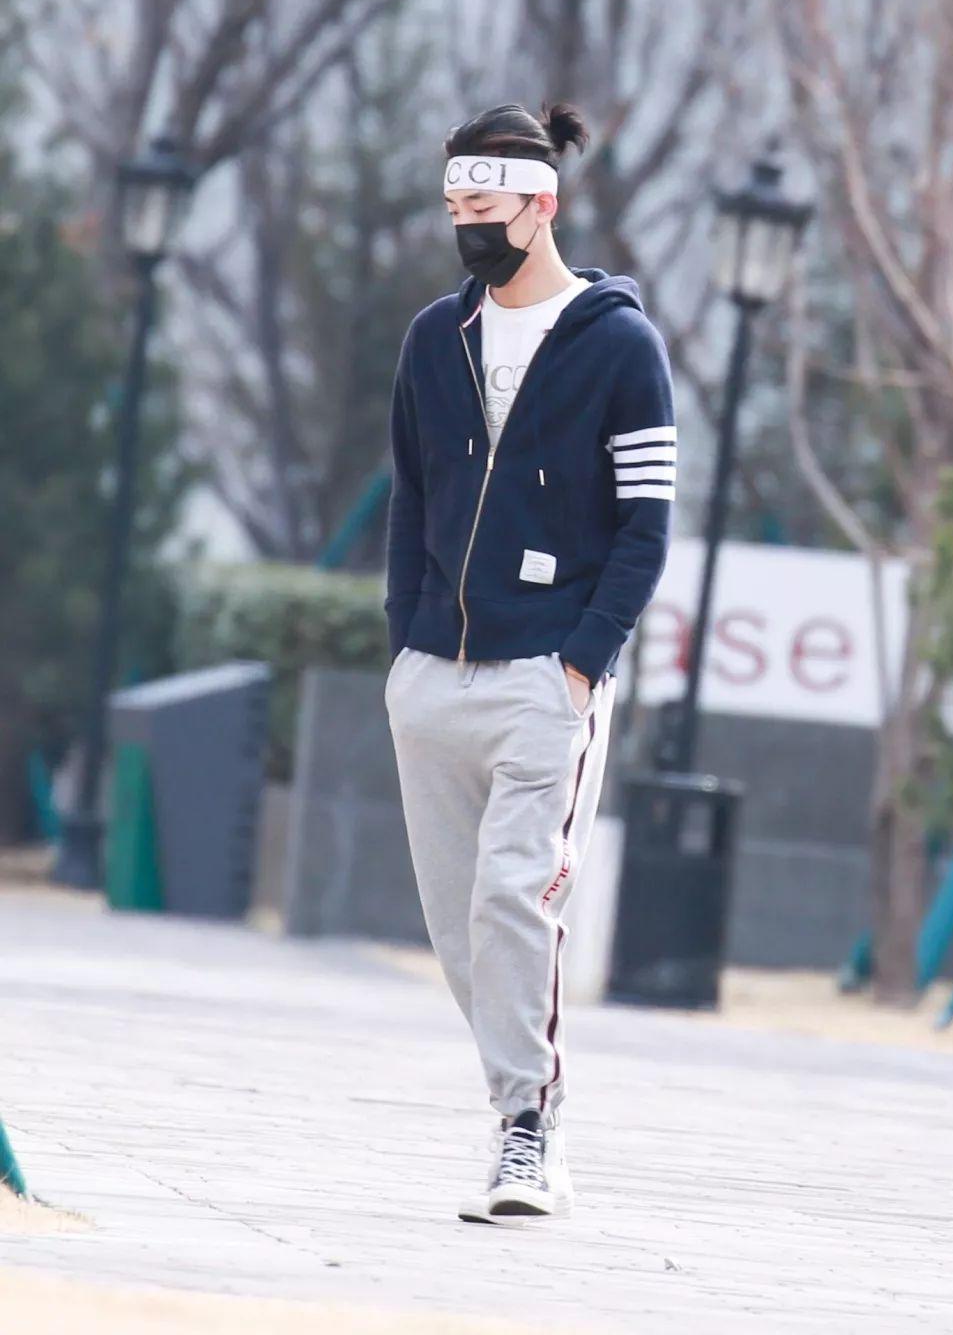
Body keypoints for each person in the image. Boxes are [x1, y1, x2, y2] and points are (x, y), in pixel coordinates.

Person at [383, 100, 676, 1223]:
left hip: (546, 677)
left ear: (539, 203)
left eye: (484, 202)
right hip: (433, 677)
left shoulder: (620, 346)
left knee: (515, 899)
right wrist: (405, 647)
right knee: (460, 928)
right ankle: (524, 1098)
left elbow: (646, 524)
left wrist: (583, 662)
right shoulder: (433, 338)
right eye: (454, 202)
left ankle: (527, 1129)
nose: (466, 221)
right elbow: (412, 499)